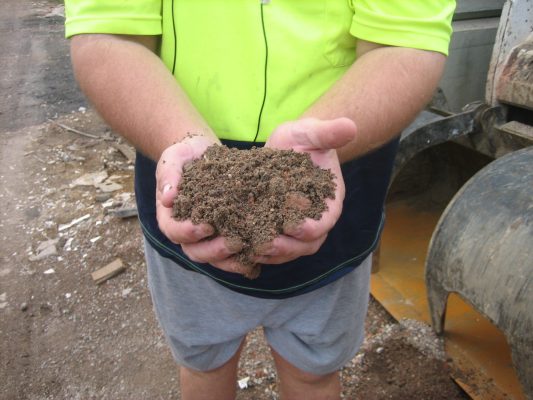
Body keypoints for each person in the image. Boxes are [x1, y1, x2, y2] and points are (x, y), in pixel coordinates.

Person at [64, 1, 454, 399]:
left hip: (327, 172)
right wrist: (179, 141)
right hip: (183, 169)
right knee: (203, 363)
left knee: (313, 372)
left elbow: (407, 39)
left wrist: (304, 156)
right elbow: (108, 31)